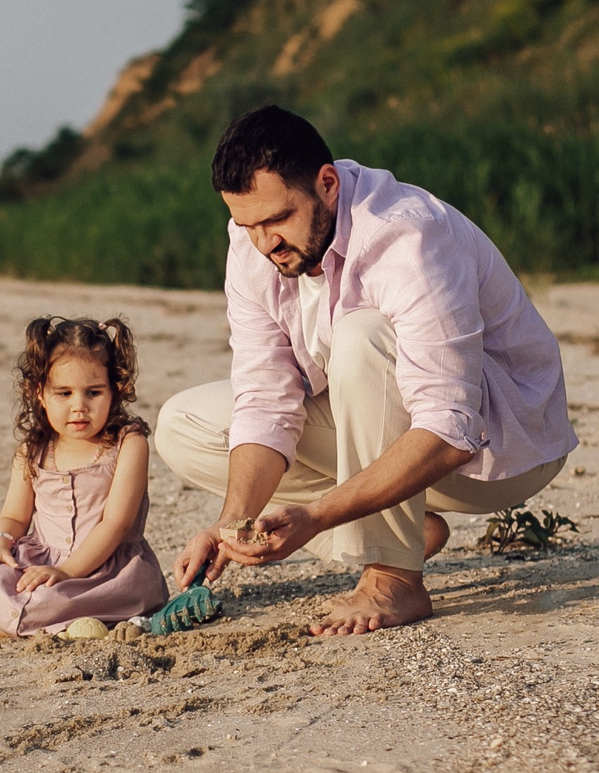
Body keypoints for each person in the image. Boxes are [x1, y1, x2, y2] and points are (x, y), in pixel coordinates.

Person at [154, 105, 575, 635]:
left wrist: (316, 517)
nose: (263, 243)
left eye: (277, 220)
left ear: (327, 184)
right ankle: (399, 526)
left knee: (362, 334)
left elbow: (452, 430)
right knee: (183, 424)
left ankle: (392, 576)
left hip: (500, 449)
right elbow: (265, 399)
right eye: (247, 224)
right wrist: (232, 525)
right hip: (393, 435)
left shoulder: (407, 238)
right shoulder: (254, 244)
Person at [0, 317, 171, 639]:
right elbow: (13, 516)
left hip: (107, 572)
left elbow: (115, 524)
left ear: (115, 390)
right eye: (63, 393)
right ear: (39, 393)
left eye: (93, 392)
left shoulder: (128, 444)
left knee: (44, 600)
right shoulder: (33, 450)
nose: (79, 406)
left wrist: (67, 571)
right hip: (40, 562)